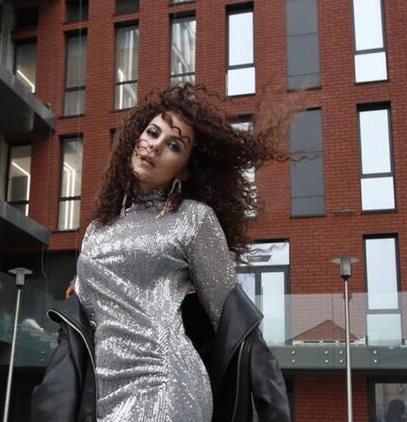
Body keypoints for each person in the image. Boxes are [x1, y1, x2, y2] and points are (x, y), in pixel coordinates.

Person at [32, 84, 293, 422]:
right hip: (104, 394)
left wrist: (275, 409)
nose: (155, 145)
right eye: (152, 132)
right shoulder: (98, 229)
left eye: (173, 145)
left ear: (184, 170)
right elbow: (84, 321)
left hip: (164, 384)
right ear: (135, 138)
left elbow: (236, 321)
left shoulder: (193, 219)